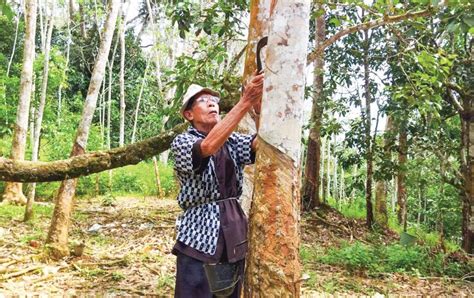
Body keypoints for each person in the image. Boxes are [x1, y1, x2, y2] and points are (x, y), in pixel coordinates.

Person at [171, 72, 264, 298]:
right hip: (198, 236)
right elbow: (208, 146)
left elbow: (263, 142)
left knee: (228, 293)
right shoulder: (182, 142)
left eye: (214, 100)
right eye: (203, 100)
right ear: (189, 114)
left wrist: (260, 107)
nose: (212, 103)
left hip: (233, 234)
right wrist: (245, 102)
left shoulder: (232, 141)